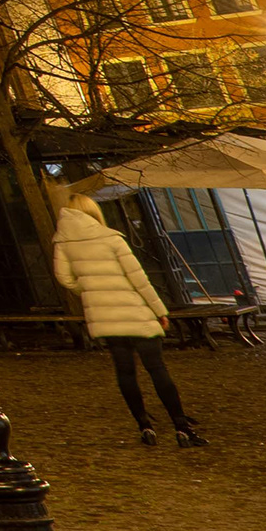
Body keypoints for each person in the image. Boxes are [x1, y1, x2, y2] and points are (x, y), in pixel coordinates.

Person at [52, 184, 202, 447]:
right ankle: (180, 426)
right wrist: (159, 310)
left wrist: (89, 289)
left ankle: (144, 424)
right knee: (157, 369)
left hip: (104, 318)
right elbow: (139, 279)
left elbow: (65, 279)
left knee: (125, 372)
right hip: (136, 312)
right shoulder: (111, 238)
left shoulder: (63, 242)